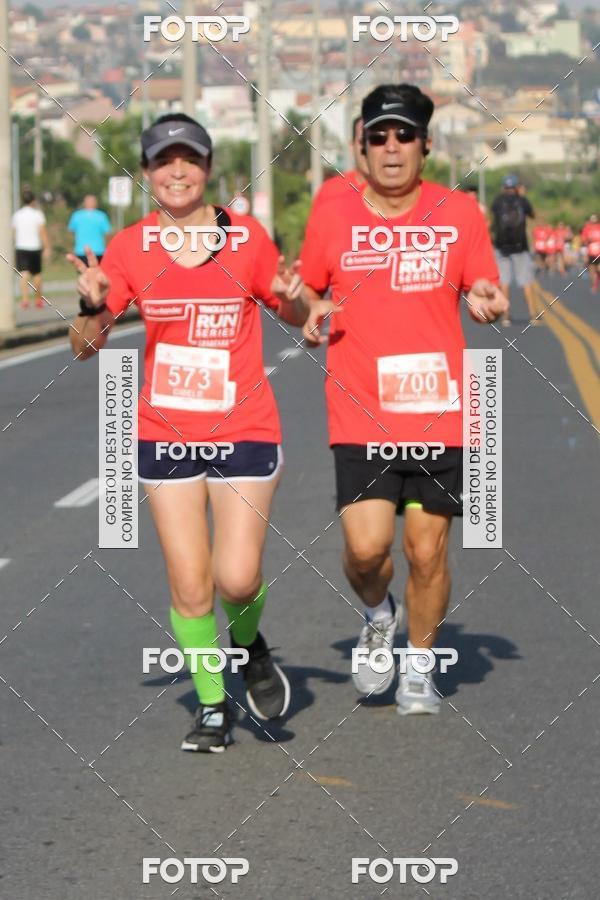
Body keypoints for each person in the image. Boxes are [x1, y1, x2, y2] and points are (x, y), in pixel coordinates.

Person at [68, 114, 310, 752]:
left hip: (245, 426)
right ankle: (211, 707)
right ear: (146, 173)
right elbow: (85, 349)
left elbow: (293, 311)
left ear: (207, 168)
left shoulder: (247, 238)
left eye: (189, 159)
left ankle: (251, 645)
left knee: (236, 578)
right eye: (162, 161)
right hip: (163, 429)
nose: (176, 171)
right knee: (190, 583)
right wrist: (92, 306)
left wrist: (293, 297)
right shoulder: (128, 249)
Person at [299, 84, 507, 715]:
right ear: (361, 148)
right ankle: (376, 613)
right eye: (379, 137)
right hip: (360, 409)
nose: (392, 149)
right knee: (366, 552)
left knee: (426, 550)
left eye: (405, 136)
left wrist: (491, 304)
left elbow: (487, 290)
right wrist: (307, 313)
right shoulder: (332, 210)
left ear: (426, 145)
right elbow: (306, 289)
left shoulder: (460, 212)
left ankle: (418, 663)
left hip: (439, 411)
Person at [490, 175, 537, 327]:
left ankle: (506, 316)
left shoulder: (498, 201)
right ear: (517, 187)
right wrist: (522, 196)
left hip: (501, 247)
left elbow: (492, 218)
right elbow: (533, 215)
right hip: (520, 247)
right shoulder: (522, 201)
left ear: (504, 187)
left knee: (504, 282)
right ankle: (533, 315)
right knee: (526, 281)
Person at [311, 115, 369, 208]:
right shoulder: (330, 192)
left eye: (377, 140)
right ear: (352, 147)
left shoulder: (398, 193)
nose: (369, 149)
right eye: (363, 141)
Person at [12, 189, 51, 309]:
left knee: (23, 274)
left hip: (21, 247)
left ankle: (25, 300)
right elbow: (43, 232)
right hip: (35, 247)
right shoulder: (38, 214)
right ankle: (38, 299)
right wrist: (47, 247)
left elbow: (13, 232)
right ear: (33, 200)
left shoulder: (17, 215)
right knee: (37, 274)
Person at [68, 194, 112, 265]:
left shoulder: (76, 215)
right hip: (96, 250)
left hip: (83, 250)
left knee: (84, 273)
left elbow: (71, 232)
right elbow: (108, 234)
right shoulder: (101, 216)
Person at [580, 214, 600, 293]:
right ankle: (594, 285)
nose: (594, 220)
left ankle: (596, 282)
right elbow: (583, 240)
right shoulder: (587, 228)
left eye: (595, 218)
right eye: (592, 218)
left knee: (598, 269)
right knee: (591, 270)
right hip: (590, 252)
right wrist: (584, 254)